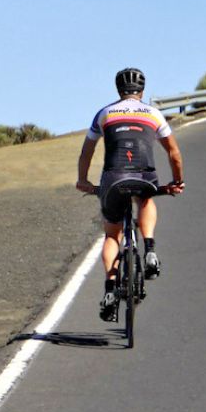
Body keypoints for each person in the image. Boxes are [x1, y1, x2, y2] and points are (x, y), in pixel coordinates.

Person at [75, 67, 185, 322]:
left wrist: (83, 181)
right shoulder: (154, 114)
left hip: (113, 177)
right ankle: (149, 248)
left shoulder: (104, 113)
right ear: (142, 90)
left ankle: (111, 289)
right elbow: (174, 153)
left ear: (118, 90)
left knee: (113, 233)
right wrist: (177, 181)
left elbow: (86, 153)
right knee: (145, 199)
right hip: (144, 175)